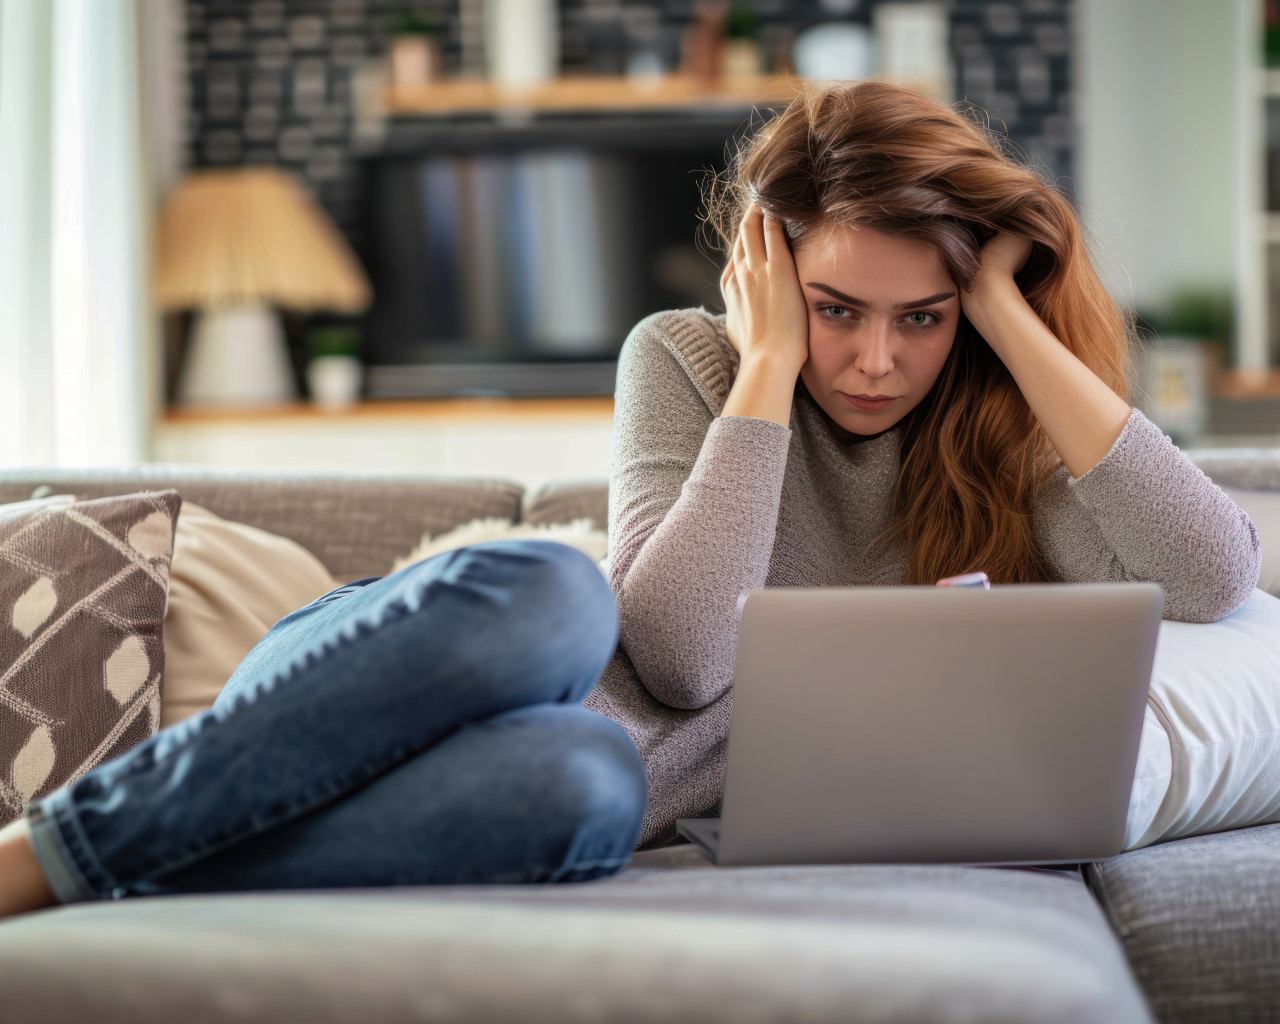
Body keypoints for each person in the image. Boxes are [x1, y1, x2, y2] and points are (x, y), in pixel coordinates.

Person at [583, 81, 1262, 850]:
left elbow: (1212, 576)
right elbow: (682, 658)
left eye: (922, 317)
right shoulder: (682, 358)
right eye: (835, 309)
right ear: (763, 277)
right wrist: (769, 361)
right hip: (562, 748)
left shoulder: (996, 409)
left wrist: (1002, 313)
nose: (877, 364)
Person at [0, 539, 647, 918]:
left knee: (589, 783)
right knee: (559, 592)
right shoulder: (682, 351)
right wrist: (755, 375)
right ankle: (56, 845)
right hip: (367, 674)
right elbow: (681, 650)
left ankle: (125, 874)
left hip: (534, 764)